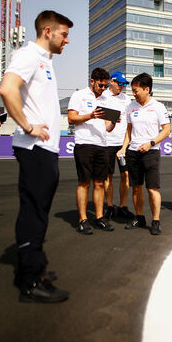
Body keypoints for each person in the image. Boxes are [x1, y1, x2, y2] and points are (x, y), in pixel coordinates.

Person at [0, 10, 73, 303]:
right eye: (64, 34)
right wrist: (28, 126)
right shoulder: (29, 55)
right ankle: (30, 281)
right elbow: (7, 89)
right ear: (47, 32)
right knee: (34, 213)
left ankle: (33, 273)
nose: (67, 41)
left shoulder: (45, 61)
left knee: (38, 212)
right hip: (34, 148)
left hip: (46, 150)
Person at [117, 73, 170, 235]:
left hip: (151, 152)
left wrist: (151, 143)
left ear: (147, 89)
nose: (134, 93)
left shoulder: (158, 107)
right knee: (136, 188)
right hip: (133, 152)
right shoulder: (131, 107)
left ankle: (155, 220)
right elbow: (129, 130)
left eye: (136, 90)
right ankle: (139, 218)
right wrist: (123, 148)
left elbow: (166, 130)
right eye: (133, 90)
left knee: (152, 188)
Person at [67, 67, 117, 234]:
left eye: (105, 86)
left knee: (100, 183)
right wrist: (90, 115)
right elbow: (71, 118)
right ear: (92, 82)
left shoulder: (106, 99)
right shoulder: (79, 95)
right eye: (101, 85)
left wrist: (114, 122)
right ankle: (82, 219)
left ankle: (99, 217)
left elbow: (107, 128)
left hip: (102, 144)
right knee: (84, 182)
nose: (103, 89)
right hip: (84, 144)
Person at [102, 71, 135, 221]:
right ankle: (109, 206)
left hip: (123, 144)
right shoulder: (103, 97)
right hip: (107, 142)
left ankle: (122, 206)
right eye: (120, 83)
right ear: (112, 82)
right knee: (107, 175)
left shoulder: (127, 99)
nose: (122, 86)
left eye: (124, 84)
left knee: (125, 174)